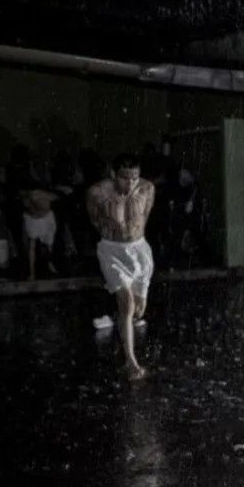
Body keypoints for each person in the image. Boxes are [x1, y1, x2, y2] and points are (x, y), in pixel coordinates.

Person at [86, 153, 155, 380]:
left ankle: (122, 321)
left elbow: (144, 217)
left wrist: (132, 236)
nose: (131, 183)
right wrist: (114, 235)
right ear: (113, 174)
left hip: (139, 250)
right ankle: (131, 362)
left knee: (138, 310)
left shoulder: (147, 189)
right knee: (127, 302)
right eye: (125, 178)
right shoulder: (97, 192)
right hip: (111, 250)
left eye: (135, 178)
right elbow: (94, 219)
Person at [20, 185, 60, 280]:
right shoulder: (28, 197)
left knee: (49, 244)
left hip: (46, 218)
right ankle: (32, 273)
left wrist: (44, 195)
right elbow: (27, 205)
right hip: (33, 219)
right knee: (32, 245)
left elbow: (55, 197)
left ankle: (50, 264)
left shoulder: (40, 193)